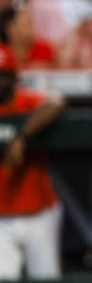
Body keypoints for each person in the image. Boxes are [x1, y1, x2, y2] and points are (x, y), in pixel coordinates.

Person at [0, 45, 66, 280]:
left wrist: (22, 136)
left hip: (39, 212)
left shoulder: (26, 100)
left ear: (14, 76)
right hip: (1, 217)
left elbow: (57, 102)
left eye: (3, 75)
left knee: (45, 277)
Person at [0, 2, 55, 68]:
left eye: (32, 22)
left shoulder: (45, 50)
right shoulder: (2, 52)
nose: (32, 27)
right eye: (27, 23)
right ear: (10, 28)